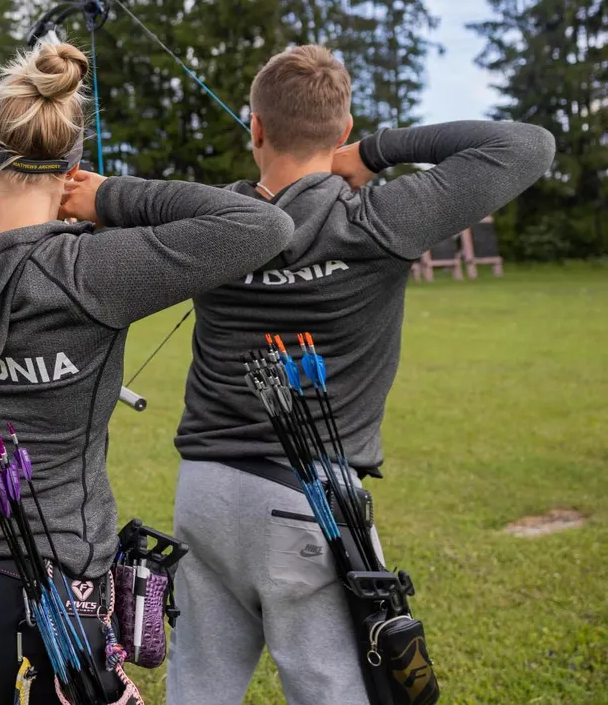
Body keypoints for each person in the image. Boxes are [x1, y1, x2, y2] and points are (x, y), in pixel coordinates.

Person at [0, 40, 295, 705]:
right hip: (38, 589)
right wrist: (109, 198)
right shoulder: (93, 270)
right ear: (72, 168)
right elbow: (262, 224)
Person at [158, 45, 557, 705]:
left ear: (255, 127)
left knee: (198, 685)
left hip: (203, 490)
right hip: (309, 506)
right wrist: (374, 152)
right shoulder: (379, 217)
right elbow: (526, 146)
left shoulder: (215, 220)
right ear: (340, 131)